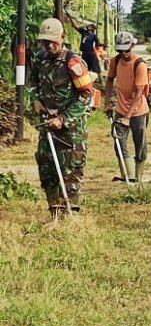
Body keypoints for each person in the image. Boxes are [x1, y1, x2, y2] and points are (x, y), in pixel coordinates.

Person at [30, 18, 93, 220]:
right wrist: (35, 100)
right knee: (47, 170)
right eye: (45, 41)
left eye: (53, 41)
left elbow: (87, 95)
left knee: (70, 172)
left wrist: (64, 118)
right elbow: (33, 84)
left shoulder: (73, 62)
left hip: (70, 129)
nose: (49, 45)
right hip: (47, 125)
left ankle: (70, 218)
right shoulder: (40, 59)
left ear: (62, 38)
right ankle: (54, 214)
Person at [104, 32, 150, 183]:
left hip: (138, 111)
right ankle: (129, 177)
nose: (123, 53)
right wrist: (107, 103)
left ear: (132, 46)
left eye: (126, 50)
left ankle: (138, 177)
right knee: (118, 142)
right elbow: (110, 80)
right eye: (120, 50)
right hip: (120, 109)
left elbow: (138, 93)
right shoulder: (115, 61)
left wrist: (128, 117)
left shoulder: (139, 64)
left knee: (140, 145)